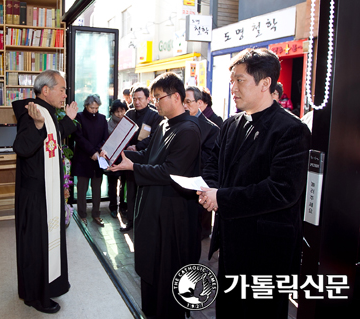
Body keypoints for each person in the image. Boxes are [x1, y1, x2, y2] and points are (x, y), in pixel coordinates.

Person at [198, 48, 311, 319]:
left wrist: (221, 198)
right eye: (232, 81)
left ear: (265, 84)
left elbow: (282, 190)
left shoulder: (291, 130)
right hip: (232, 242)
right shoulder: (231, 124)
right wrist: (210, 189)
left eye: (240, 80)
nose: (233, 87)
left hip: (268, 251)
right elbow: (213, 163)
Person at [108, 72, 201, 318]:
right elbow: (149, 156)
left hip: (171, 212)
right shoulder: (163, 124)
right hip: (152, 205)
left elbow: (171, 171)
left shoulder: (189, 130)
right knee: (150, 264)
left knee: (166, 268)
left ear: (177, 97)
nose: (155, 103)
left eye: (159, 98)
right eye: (155, 98)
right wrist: (122, 157)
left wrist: (133, 167)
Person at [12, 69, 78, 314]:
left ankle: (49, 285)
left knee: (48, 243)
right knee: (36, 247)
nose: (65, 93)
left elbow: (56, 137)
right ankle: (36, 297)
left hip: (47, 191)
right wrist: (38, 125)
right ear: (46, 90)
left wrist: (67, 120)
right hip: (37, 195)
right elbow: (21, 147)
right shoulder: (33, 113)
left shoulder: (48, 112)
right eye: (61, 88)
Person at [120, 86, 163, 232]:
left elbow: (154, 137)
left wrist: (137, 147)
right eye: (134, 99)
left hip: (145, 159)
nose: (136, 102)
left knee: (143, 193)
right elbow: (121, 132)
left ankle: (143, 223)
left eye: (140, 99)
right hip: (128, 158)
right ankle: (130, 220)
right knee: (130, 191)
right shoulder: (129, 113)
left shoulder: (155, 116)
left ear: (147, 98)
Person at [185, 86, 220, 239]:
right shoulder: (176, 123)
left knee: (197, 233)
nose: (185, 106)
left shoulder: (211, 129)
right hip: (178, 187)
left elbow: (209, 160)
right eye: (183, 102)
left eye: (188, 102)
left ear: (199, 103)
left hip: (198, 186)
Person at [72, 94, 108, 226]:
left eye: (96, 108)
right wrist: (91, 151)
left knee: (97, 188)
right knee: (81, 189)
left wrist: (97, 150)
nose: (94, 110)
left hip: (98, 159)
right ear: (86, 105)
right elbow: (78, 137)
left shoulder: (103, 119)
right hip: (83, 158)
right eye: (91, 107)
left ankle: (96, 214)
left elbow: (105, 138)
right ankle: (82, 214)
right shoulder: (79, 117)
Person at [105, 100, 129, 219]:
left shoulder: (128, 124)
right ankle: (113, 207)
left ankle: (123, 207)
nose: (120, 114)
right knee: (112, 184)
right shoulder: (107, 123)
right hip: (112, 158)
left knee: (124, 184)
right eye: (117, 112)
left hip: (125, 157)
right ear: (113, 112)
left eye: (122, 111)